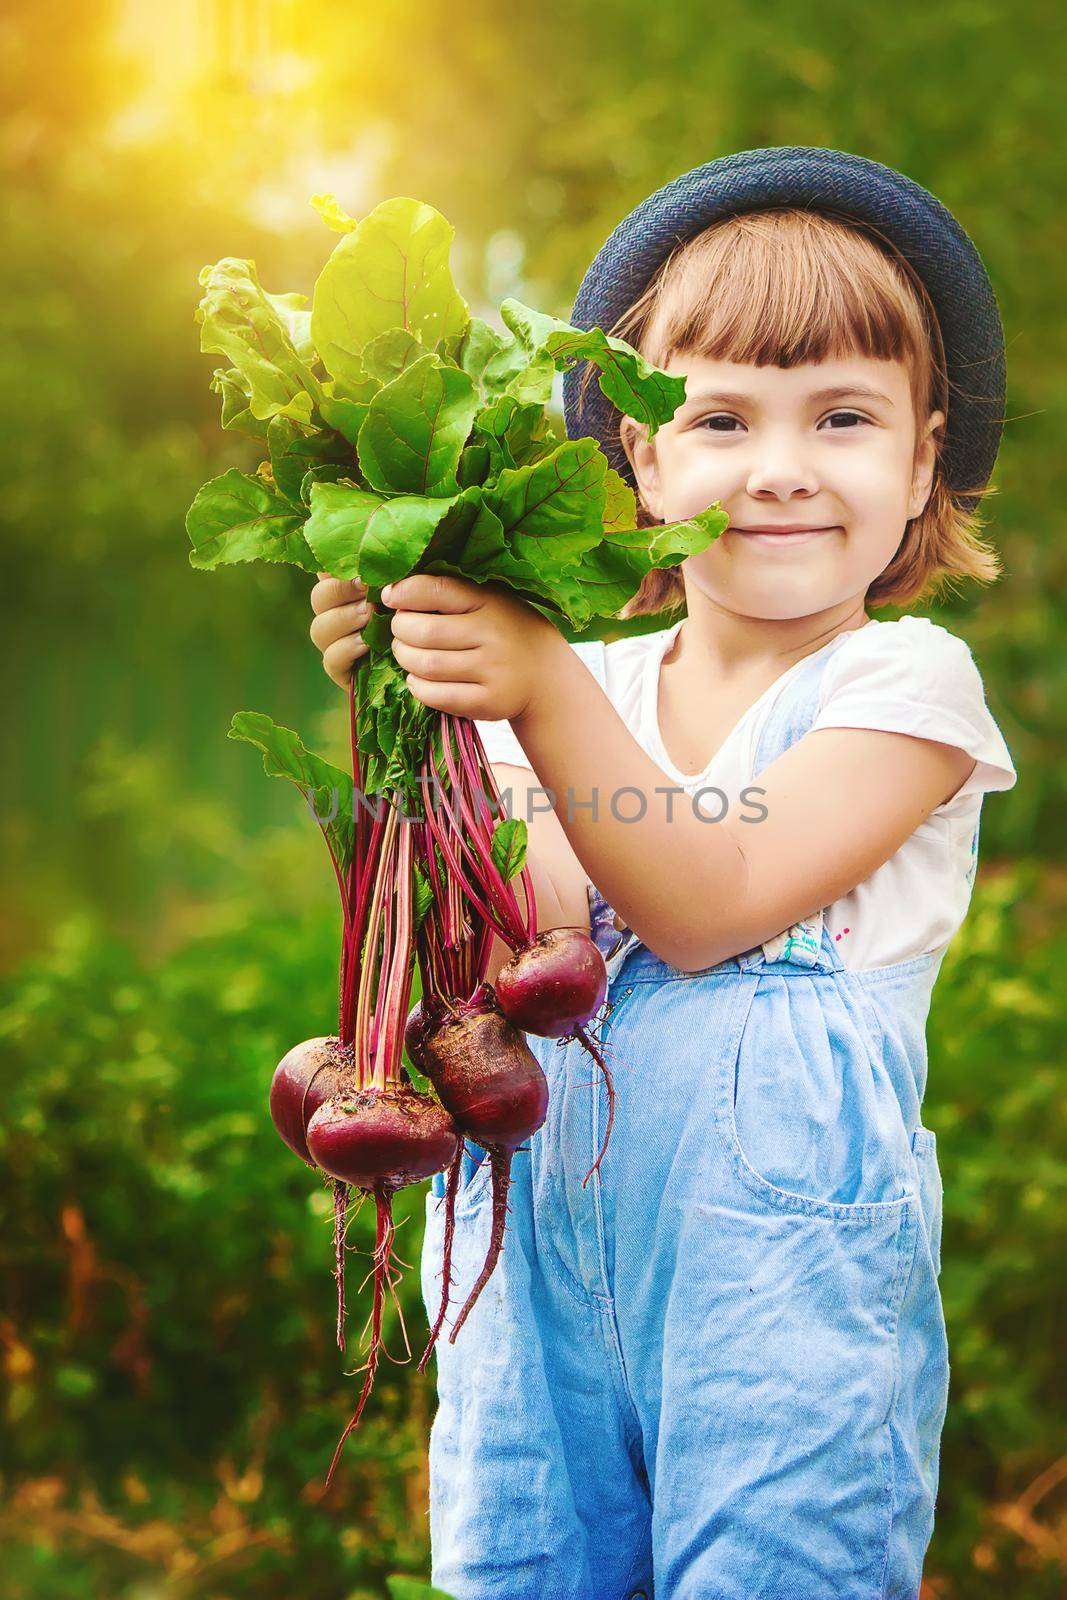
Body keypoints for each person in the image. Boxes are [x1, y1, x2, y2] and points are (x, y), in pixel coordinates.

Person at [308, 148, 1018, 1600]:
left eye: (843, 417)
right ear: (637, 456)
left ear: (924, 456)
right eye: (718, 417)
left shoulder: (908, 688)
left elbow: (708, 898)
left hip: (783, 1330)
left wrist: (534, 693)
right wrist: (421, 692)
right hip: (530, 1303)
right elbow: (543, 934)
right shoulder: (592, 685)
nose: (780, 465)